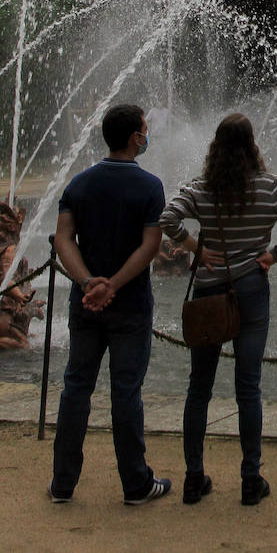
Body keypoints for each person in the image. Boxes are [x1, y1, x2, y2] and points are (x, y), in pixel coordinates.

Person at [159, 112, 277, 506]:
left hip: (210, 290)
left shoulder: (200, 189)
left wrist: (197, 248)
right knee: (249, 386)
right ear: (252, 146)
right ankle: (251, 479)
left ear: (216, 146)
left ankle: (193, 479)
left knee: (199, 387)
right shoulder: (270, 188)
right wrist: (274, 254)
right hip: (250, 287)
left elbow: (167, 218)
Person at [49, 103, 171, 505]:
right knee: (126, 391)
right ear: (136, 137)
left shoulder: (79, 184)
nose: (147, 135)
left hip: (85, 304)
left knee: (76, 387)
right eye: (145, 130)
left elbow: (63, 239)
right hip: (131, 304)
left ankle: (62, 483)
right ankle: (136, 484)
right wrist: (114, 285)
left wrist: (88, 283)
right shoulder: (150, 187)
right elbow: (150, 245)